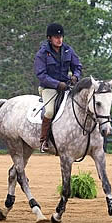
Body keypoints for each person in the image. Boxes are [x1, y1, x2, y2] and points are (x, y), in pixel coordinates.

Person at [34, 23, 83, 153]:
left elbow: (77, 66)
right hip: (49, 88)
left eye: (61, 37)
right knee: (49, 111)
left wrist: (75, 77)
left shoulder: (68, 50)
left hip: (67, 86)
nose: (59, 39)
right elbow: (41, 75)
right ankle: (44, 140)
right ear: (49, 38)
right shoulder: (42, 54)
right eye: (56, 37)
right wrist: (57, 84)